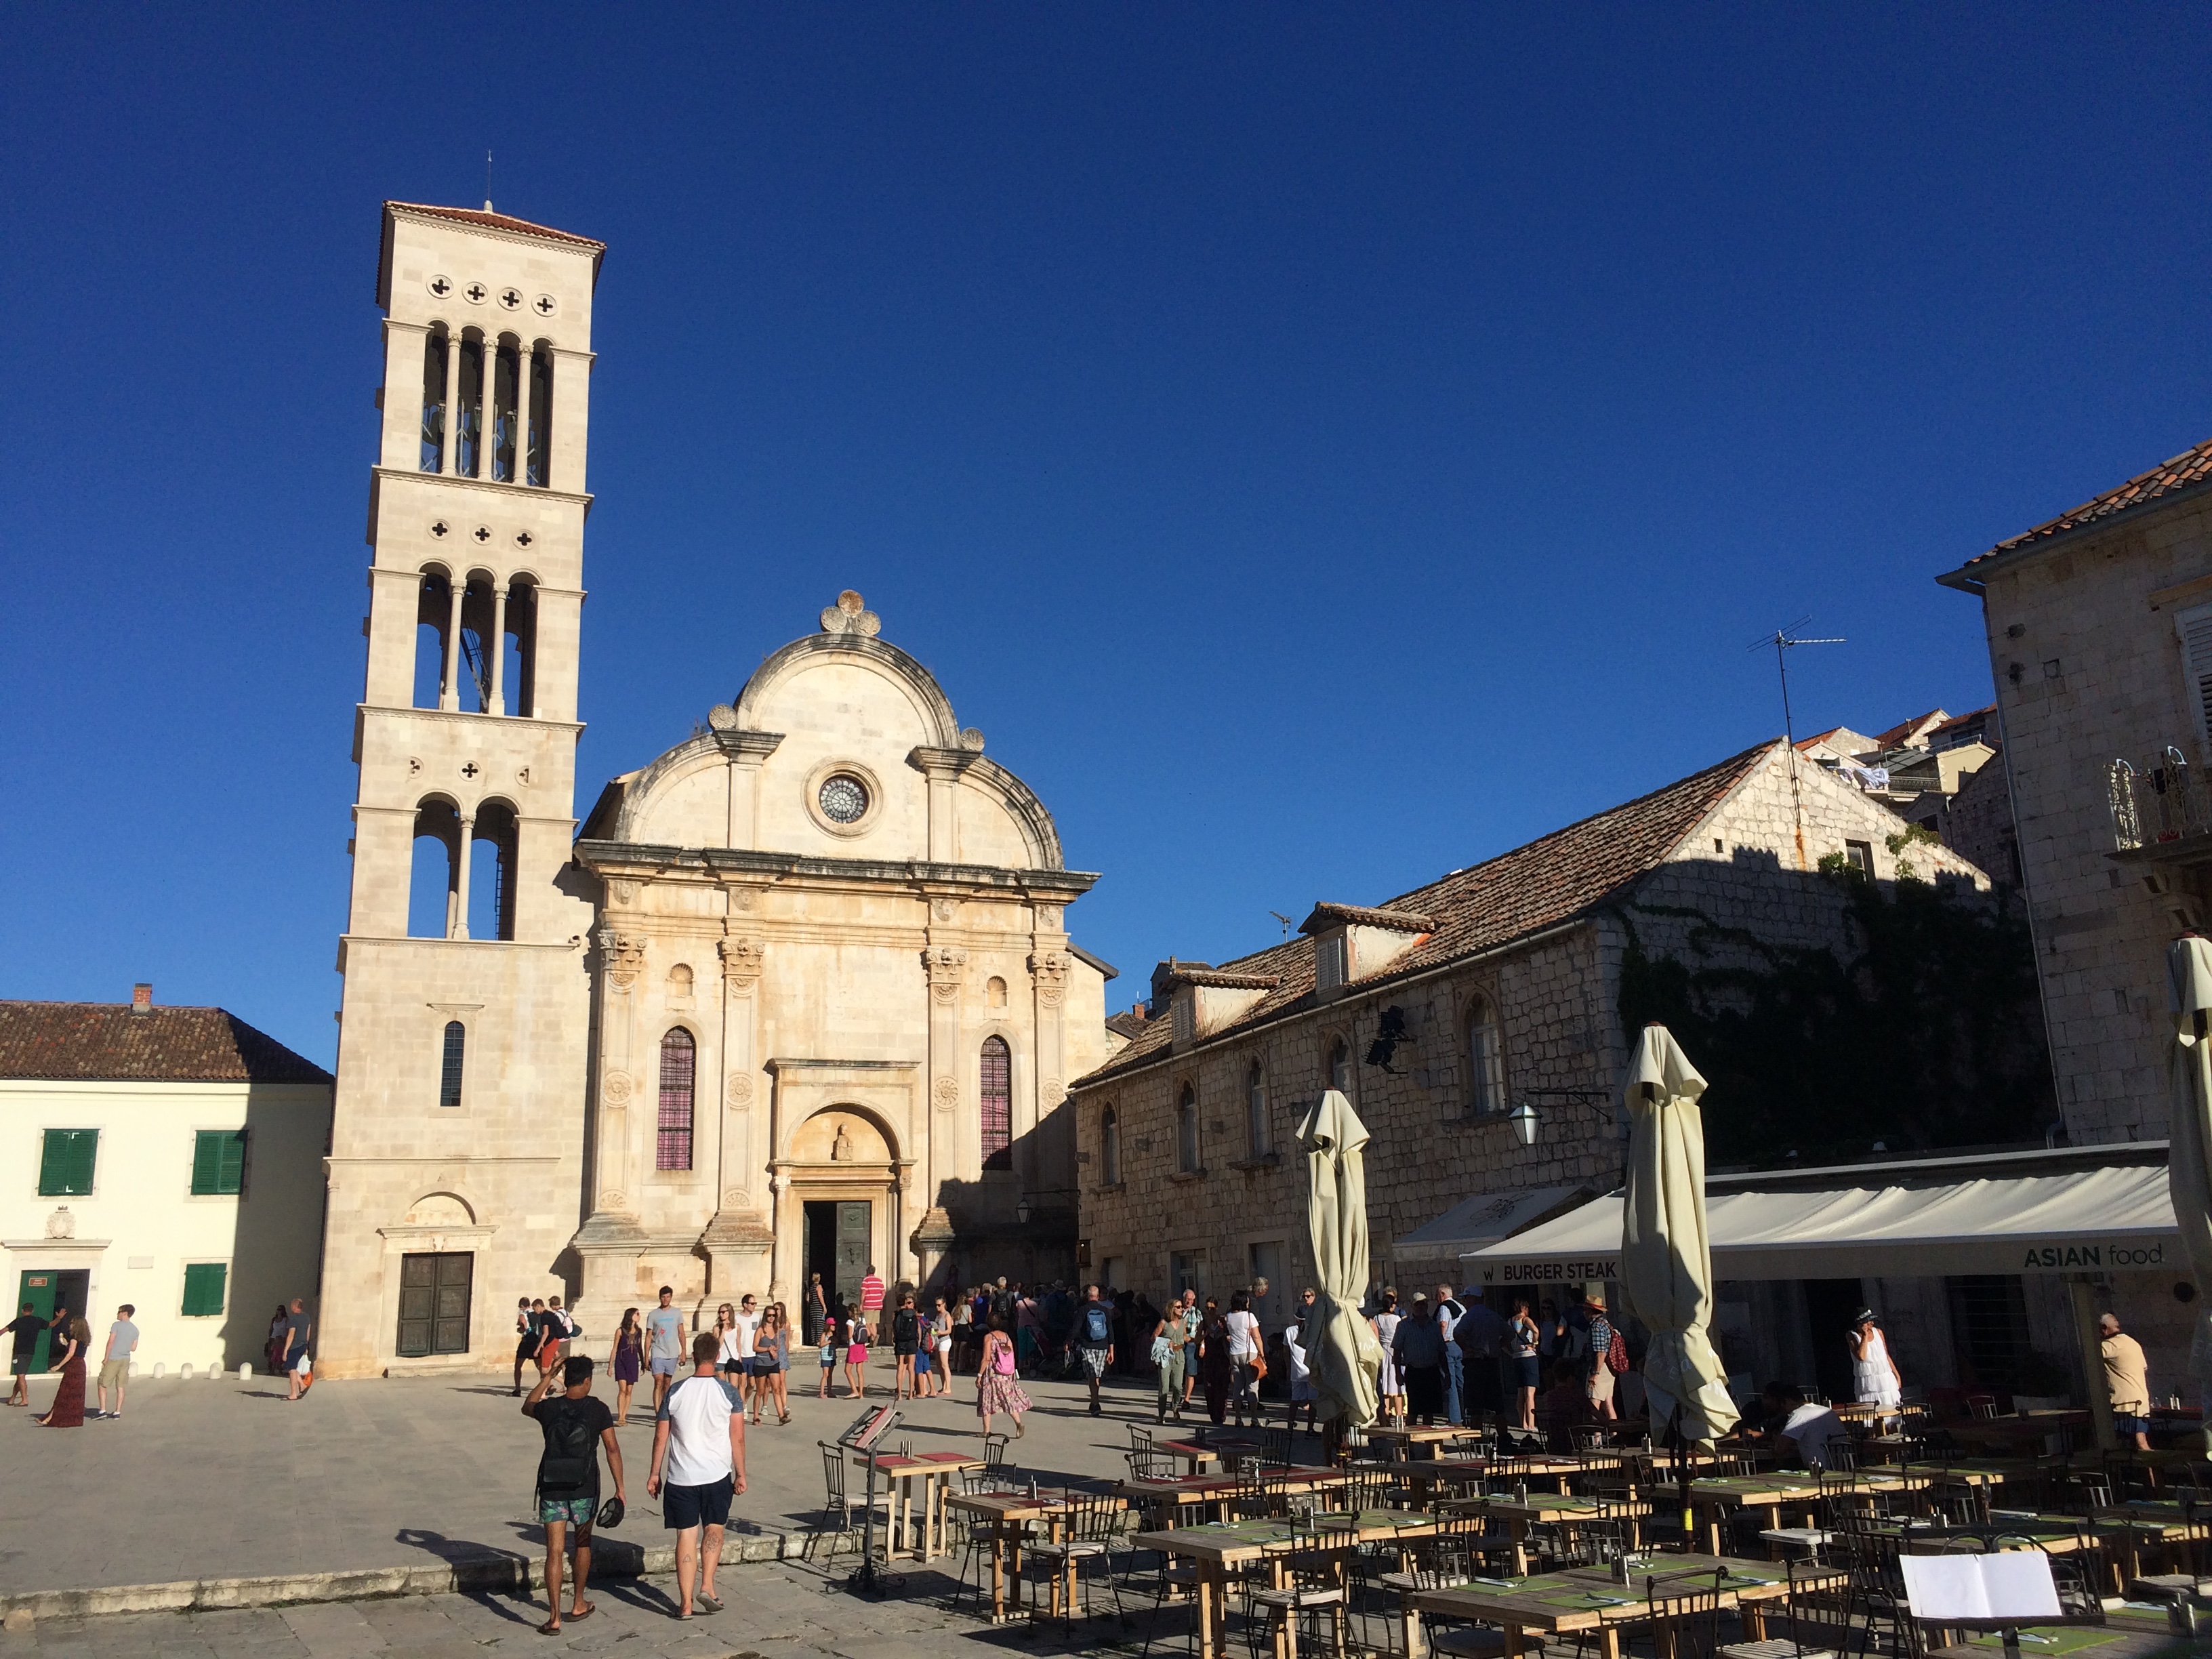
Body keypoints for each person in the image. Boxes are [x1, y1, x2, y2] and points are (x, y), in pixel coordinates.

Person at [647, 1332, 747, 1620]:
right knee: (714, 1530)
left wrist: (655, 1473)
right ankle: (707, 1586)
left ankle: (686, 1604)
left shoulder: (675, 1391)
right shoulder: (729, 1392)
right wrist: (740, 1473)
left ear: (692, 1356)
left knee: (686, 1536)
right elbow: (737, 1438)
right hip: (716, 1474)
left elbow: (661, 1436)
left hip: (681, 1477)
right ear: (718, 1358)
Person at [524, 1353, 623, 1634]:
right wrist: (620, 1488)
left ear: (565, 1379)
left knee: (554, 1551)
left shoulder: (550, 1408)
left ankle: (554, 1617)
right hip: (584, 1488)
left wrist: (547, 1376)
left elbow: (528, 1405)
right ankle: (578, 1602)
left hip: (553, 1487)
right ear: (588, 1381)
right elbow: (612, 1449)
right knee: (582, 1544)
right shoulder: (598, 1409)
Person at [1761, 1382, 1847, 1469]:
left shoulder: (1799, 1414)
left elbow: (1780, 1449)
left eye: (1782, 1405)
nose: (1784, 1411)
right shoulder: (1827, 1411)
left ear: (1787, 1401)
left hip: (1819, 1470)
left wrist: (1776, 1439)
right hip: (1843, 1466)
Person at [2102, 1312, 2153, 1451]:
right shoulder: (2133, 1343)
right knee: (2142, 1443)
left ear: (2104, 1328)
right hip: (2140, 1403)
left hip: (2123, 1405)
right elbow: (2144, 1368)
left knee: (2109, 1444)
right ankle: (2153, 1472)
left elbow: (2091, 1357)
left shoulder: (2109, 1345)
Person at [1393, 1295, 1446, 1426]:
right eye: (1417, 1304)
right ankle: (1409, 1445)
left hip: (1431, 1371)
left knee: (1429, 1412)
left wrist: (1447, 1374)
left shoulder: (1434, 1326)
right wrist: (1398, 1374)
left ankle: (1430, 1445)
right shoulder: (1404, 1326)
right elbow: (1397, 1351)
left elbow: (1441, 1352)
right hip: (1414, 1372)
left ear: (1427, 1306)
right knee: (1413, 1411)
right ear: (1412, 1306)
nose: (1420, 1307)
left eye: (1423, 1304)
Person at [977, 1312, 1031, 1437]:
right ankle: (1018, 1423)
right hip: (1006, 1374)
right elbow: (1011, 1354)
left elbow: (986, 1358)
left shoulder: (989, 1337)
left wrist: (979, 1375)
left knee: (987, 1400)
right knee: (1008, 1400)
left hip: (992, 1373)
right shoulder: (1006, 1336)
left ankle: (986, 1430)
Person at [1456, 1291, 1507, 1418]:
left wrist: (1467, 1349)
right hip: (1492, 1363)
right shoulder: (1493, 1315)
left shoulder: (1470, 1316)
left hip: (1475, 1363)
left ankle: (1477, 1436)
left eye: (1467, 1298)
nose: (1465, 1301)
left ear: (1474, 1298)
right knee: (1497, 1407)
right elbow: (1509, 1333)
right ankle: (1503, 1436)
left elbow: (1457, 1333)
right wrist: (1497, 1346)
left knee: (1475, 1407)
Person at [1849, 1308, 1902, 1423]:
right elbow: (1861, 1356)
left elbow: (1886, 1355)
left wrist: (1897, 1375)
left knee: (1892, 1411)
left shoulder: (1878, 1332)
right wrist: (1864, 1335)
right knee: (1871, 1416)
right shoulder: (1852, 1336)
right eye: (1868, 1322)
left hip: (1885, 1379)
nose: (1872, 1324)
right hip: (1868, 1382)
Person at [35, 1316, 87, 1427]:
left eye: (72, 1323)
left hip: (74, 1366)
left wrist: (59, 1365)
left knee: (64, 1393)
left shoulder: (74, 1338)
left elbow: (70, 1354)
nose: (70, 1325)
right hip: (81, 1365)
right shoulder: (85, 1339)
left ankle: (50, 1418)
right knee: (76, 1394)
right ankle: (72, 1417)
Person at [1072, 1283, 1115, 1417]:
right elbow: (1110, 1330)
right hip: (1102, 1346)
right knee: (1096, 1375)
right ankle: (1094, 1401)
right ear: (1097, 1296)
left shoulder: (1083, 1310)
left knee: (1092, 1375)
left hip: (1088, 1346)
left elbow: (1076, 1328)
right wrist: (1111, 1350)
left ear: (1088, 1296)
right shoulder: (1105, 1310)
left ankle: (1095, 1403)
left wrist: (1068, 1341)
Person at [646, 1286, 688, 1414]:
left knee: (667, 1383)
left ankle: (664, 1409)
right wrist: (646, 1356)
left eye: (668, 1297)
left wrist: (684, 1351)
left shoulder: (677, 1313)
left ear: (671, 1297)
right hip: (658, 1351)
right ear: (660, 1298)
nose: (666, 1299)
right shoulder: (653, 1315)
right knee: (658, 1381)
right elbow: (648, 1336)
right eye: (663, 1297)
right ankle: (658, 1412)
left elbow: (681, 1333)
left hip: (672, 1352)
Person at [1224, 1290, 1263, 1427]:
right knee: (1252, 1386)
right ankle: (1254, 1419)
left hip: (1234, 1353)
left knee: (1238, 1387)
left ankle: (1238, 1418)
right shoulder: (1249, 1316)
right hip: (1249, 1353)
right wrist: (1262, 1353)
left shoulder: (1229, 1317)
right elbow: (1256, 1336)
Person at [1284, 1290, 1318, 1437]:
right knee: (1313, 1402)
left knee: (1295, 1401)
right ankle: (1310, 1429)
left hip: (1296, 1371)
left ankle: (1290, 1427)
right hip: (1310, 1370)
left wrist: (1287, 1368)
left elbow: (1286, 1351)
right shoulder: (1313, 1331)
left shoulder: (1290, 1331)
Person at [95, 1303, 138, 1420]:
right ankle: (117, 1412)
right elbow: (133, 1348)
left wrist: (106, 1358)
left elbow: (111, 1341)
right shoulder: (135, 1329)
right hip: (126, 1359)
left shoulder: (116, 1325)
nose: (117, 1314)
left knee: (102, 1383)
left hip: (114, 1358)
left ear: (125, 1313)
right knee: (121, 1386)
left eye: (119, 1312)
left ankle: (102, 1410)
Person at [1584, 1290, 1620, 1422]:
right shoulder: (1606, 1324)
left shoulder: (1597, 1327)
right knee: (1608, 1404)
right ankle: (1614, 1435)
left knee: (1594, 1406)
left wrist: (1596, 1373)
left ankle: (1597, 1439)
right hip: (1609, 1369)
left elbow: (1600, 1352)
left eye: (1585, 1309)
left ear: (1590, 1311)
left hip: (1601, 1368)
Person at [752, 1303, 790, 1425]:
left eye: (774, 1315)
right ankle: (756, 1416)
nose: (772, 1318)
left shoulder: (776, 1328)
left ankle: (781, 1416)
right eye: (769, 1315)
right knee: (760, 1391)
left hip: (774, 1362)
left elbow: (779, 1344)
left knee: (776, 1389)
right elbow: (755, 1347)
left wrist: (775, 1348)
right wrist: (768, 1349)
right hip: (761, 1363)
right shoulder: (760, 1330)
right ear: (765, 1316)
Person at [1507, 1297, 1541, 1431]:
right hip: (1528, 1356)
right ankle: (1531, 1424)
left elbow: (1503, 1341)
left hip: (1516, 1357)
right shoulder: (1525, 1320)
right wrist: (1534, 1343)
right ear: (1524, 1309)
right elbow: (1536, 1331)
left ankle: (1523, 1423)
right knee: (1530, 1393)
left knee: (1520, 1392)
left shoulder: (1509, 1322)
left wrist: (1511, 1352)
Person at [1434, 1284, 1466, 1426]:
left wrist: (1439, 1342)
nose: (1436, 1299)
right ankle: (1466, 1414)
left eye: (1437, 1295)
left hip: (1448, 1345)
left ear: (1442, 1294)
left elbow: (1443, 1324)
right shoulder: (1462, 1308)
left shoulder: (1444, 1307)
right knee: (1461, 1381)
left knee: (1449, 1381)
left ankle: (1455, 1418)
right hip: (1461, 1345)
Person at [1151, 1301, 1186, 1424]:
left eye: (1181, 1307)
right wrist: (1165, 1342)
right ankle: (1161, 1414)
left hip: (1179, 1355)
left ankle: (1175, 1406)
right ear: (1172, 1309)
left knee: (1178, 1387)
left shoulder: (1183, 1322)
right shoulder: (1164, 1323)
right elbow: (1154, 1337)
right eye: (1178, 1307)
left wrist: (1200, 1339)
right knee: (1164, 1388)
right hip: (1166, 1356)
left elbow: (1185, 1337)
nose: (1181, 1309)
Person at [1372, 1291, 1404, 1423]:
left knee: (1384, 1386)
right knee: (1397, 1388)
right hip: (1395, 1351)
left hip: (1383, 1351)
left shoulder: (1377, 1318)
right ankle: (1399, 1417)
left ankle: (1385, 1417)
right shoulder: (1396, 1319)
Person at [6, 1301, 43, 1408]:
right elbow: (51, 1324)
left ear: (22, 1311)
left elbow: (4, 1330)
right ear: (32, 1311)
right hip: (30, 1353)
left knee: (21, 1376)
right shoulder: (38, 1321)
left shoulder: (19, 1321)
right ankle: (12, 1399)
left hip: (19, 1353)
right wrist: (59, 1318)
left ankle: (24, 1400)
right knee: (20, 1375)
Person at [612, 1307, 643, 1426]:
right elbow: (615, 1348)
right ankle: (620, 1416)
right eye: (637, 1314)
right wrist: (610, 1365)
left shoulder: (639, 1331)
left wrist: (644, 1363)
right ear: (631, 1316)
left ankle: (624, 1416)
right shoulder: (620, 1331)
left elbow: (639, 1347)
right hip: (621, 1361)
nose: (639, 1316)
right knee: (622, 1389)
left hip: (633, 1362)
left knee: (629, 1391)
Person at [281, 1297, 314, 1401]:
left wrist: (285, 1350)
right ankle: (302, 1385)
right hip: (303, 1345)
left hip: (294, 1346)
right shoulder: (307, 1317)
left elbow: (291, 1335)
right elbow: (308, 1332)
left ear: (294, 1307)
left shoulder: (293, 1319)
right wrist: (307, 1346)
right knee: (294, 1368)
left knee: (291, 1370)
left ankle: (293, 1393)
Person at [891, 1291, 922, 1400]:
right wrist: (918, 1340)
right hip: (911, 1341)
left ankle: (899, 1394)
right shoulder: (913, 1314)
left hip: (901, 1341)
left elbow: (894, 1328)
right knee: (911, 1368)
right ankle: (910, 1393)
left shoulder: (896, 1314)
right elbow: (917, 1328)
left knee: (900, 1367)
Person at [1177, 1289, 1203, 1412]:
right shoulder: (1177, 1311)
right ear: (1184, 1298)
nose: (1190, 1301)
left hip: (1191, 1345)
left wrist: (1202, 1345)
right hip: (1178, 1344)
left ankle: (1187, 1399)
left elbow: (1201, 1330)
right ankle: (1178, 1395)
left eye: (1192, 1299)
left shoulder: (1197, 1313)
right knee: (1177, 1371)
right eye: (1188, 1299)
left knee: (1190, 1372)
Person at [512, 1298, 541, 1396]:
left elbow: (523, 1326)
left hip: (526, 1342)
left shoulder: (522, 1315)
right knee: (540, 1366)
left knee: (518, 1366)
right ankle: (547, 1386)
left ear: (522, 1306)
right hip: (536, 1341)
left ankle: (517, 1389)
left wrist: (520, 1329)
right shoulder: (536, 1314)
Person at [929, 1296, 954, 1397]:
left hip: (945, 1340)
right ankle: (944, 1386)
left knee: (945, 1365)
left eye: (939, 1305)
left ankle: (948, 1387)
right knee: (939, 1365)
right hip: (938, 1340)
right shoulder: (938, 1315)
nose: (937, 1307)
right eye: (936, 1305)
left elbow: (949, 1330)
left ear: (944, 1304)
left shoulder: (947, 1315)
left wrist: (941, 1332)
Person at [844, 1313, 870, 1399]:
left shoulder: (850, 1322)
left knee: (847, 1370)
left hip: (853, 1346)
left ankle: (854, 1391)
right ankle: (861, 1394)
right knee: (860, 1371)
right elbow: (868, 1333)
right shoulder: (862, 1320)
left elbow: (850, 1336)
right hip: (861, 1346)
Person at [271, 1304, 296, 1383]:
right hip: (274, 1338)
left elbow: (287, 1329)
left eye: (280, 1310)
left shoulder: (285, 1320)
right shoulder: (274, 1319)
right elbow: (271, 1329)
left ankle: (279, 1369)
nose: (279, 1311)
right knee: (273, 1354)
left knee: (280, 1354)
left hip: (282, 1338)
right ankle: (272, 1369)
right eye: (278, 1309)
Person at [859, 1263, 886, 1328]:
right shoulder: (879, 1281)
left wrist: (861, 1304)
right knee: (874, 1323)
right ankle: (874, 1337)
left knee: (868, 1323)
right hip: (878, 1305)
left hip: (869, 1305)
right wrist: (879, 1300)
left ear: (868, 1271)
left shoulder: (866, 1280)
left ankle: (874, 1336)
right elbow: (884, 1293)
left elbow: (863, 1293)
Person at [806, 1272, 828, 1347]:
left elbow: (808, 1299)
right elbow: (820, 1296)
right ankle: (819, 1341)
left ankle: (814, 1340)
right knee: (820, 1323)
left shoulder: (811, 1288)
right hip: (818, 1308)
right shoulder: (819, 1287)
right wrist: (824, 1306)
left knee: (813, 1324)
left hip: (812, 1308)